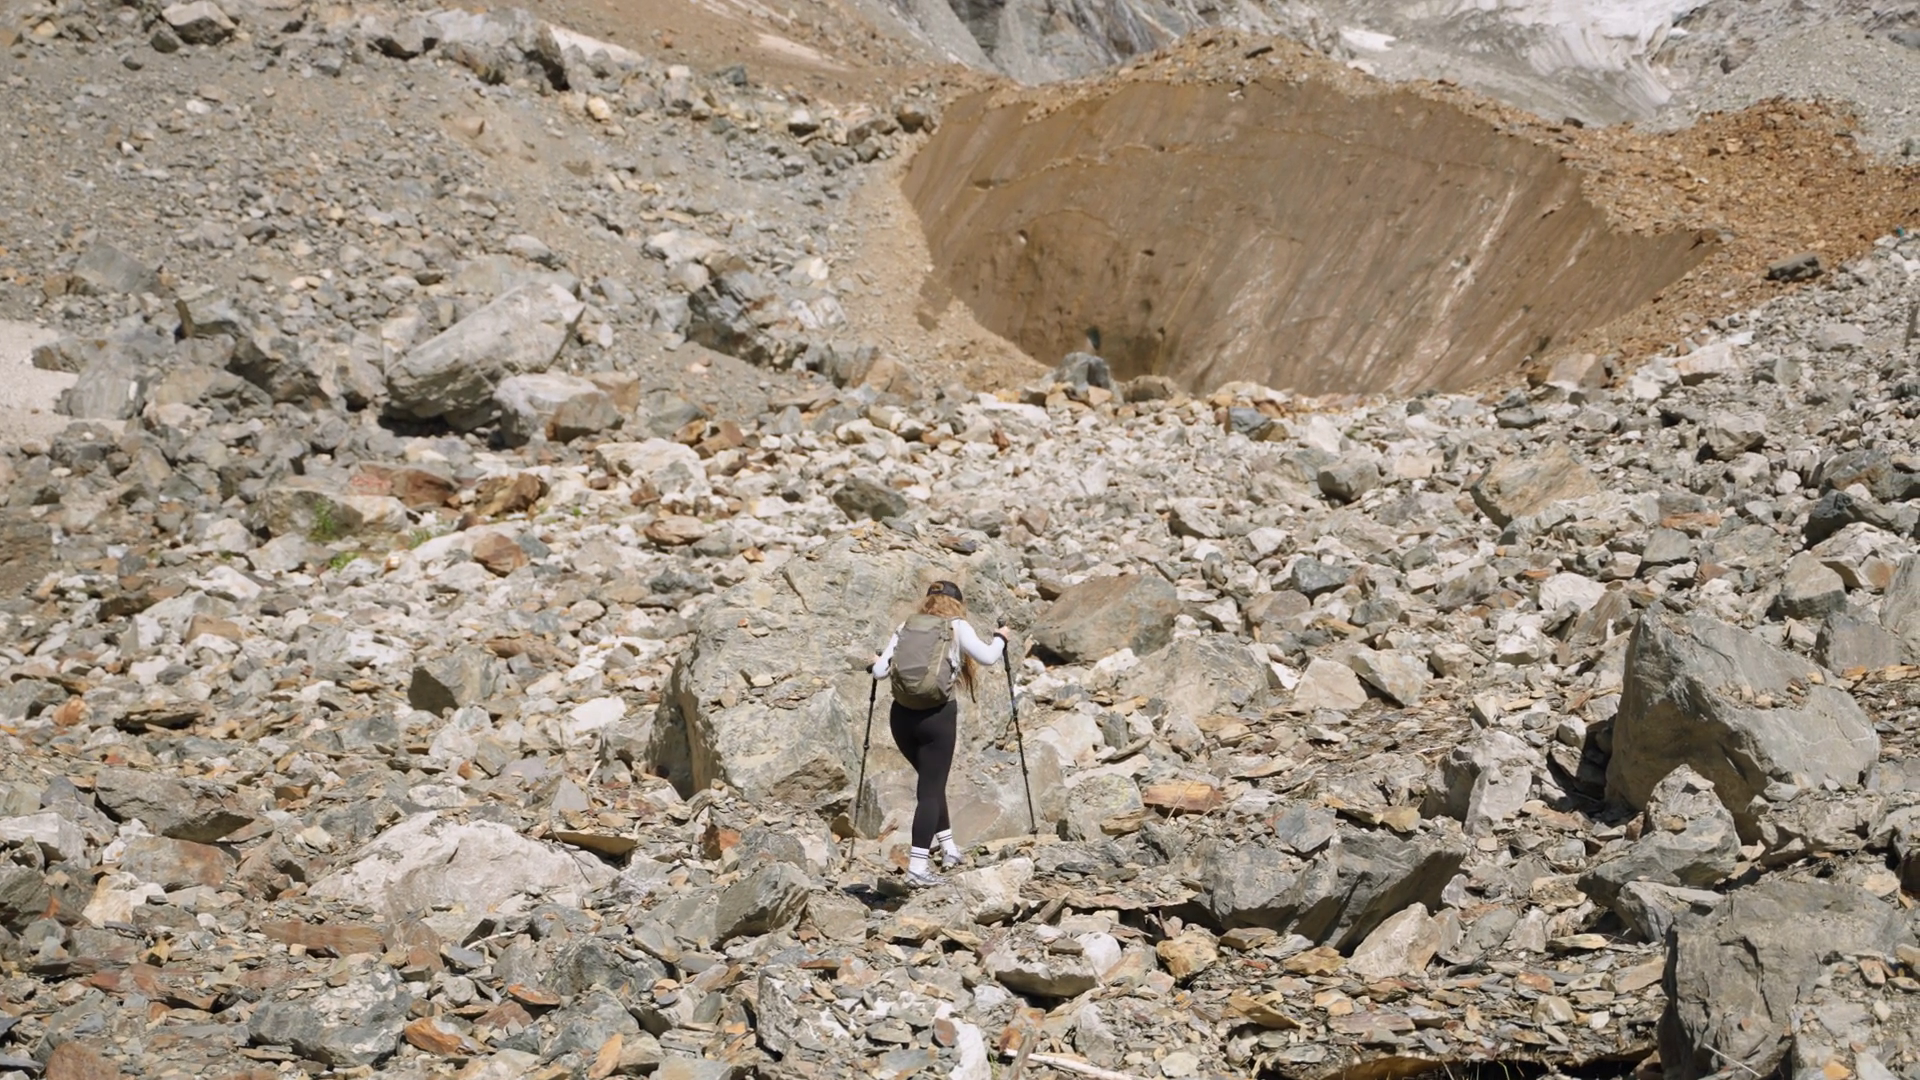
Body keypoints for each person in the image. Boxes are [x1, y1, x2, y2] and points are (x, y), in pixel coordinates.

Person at [870, 580, 1011, 887]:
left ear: (927, 602)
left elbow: (879, 672)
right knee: (930, 791)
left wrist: (880, 661)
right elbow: (988, 657)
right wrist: (1001, 638)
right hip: (937, 718)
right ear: (958, 603)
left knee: (931, 784)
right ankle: (918, 868)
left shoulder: (906, 626)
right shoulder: (957, 626)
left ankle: (949, 849)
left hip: (901, 718)